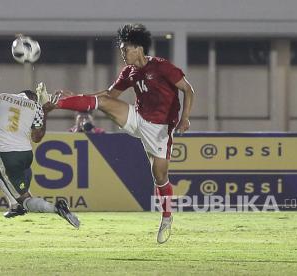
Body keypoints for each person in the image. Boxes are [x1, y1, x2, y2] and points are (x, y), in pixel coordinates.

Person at [41, 23, 195, 243]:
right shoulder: (129, 72)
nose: (122, 54)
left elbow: (188, 89)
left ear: (138, 48)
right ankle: (55, 103)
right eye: (122, 50)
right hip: (136, 118)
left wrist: (185, 118)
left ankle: (167, 218)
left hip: (160, 128)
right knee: (104, 102)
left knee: (159, 176)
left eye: (125, 49)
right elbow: (109, 95)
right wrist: (76, 95)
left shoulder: (162, 67)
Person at [0, 88, 80, 228]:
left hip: (6, 154)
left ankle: (56, 208)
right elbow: (37, 138)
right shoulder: (36, 106)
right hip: (25, 154)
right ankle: (14, 205)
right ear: (33, 98)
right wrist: (45, 112)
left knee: (25, 200)